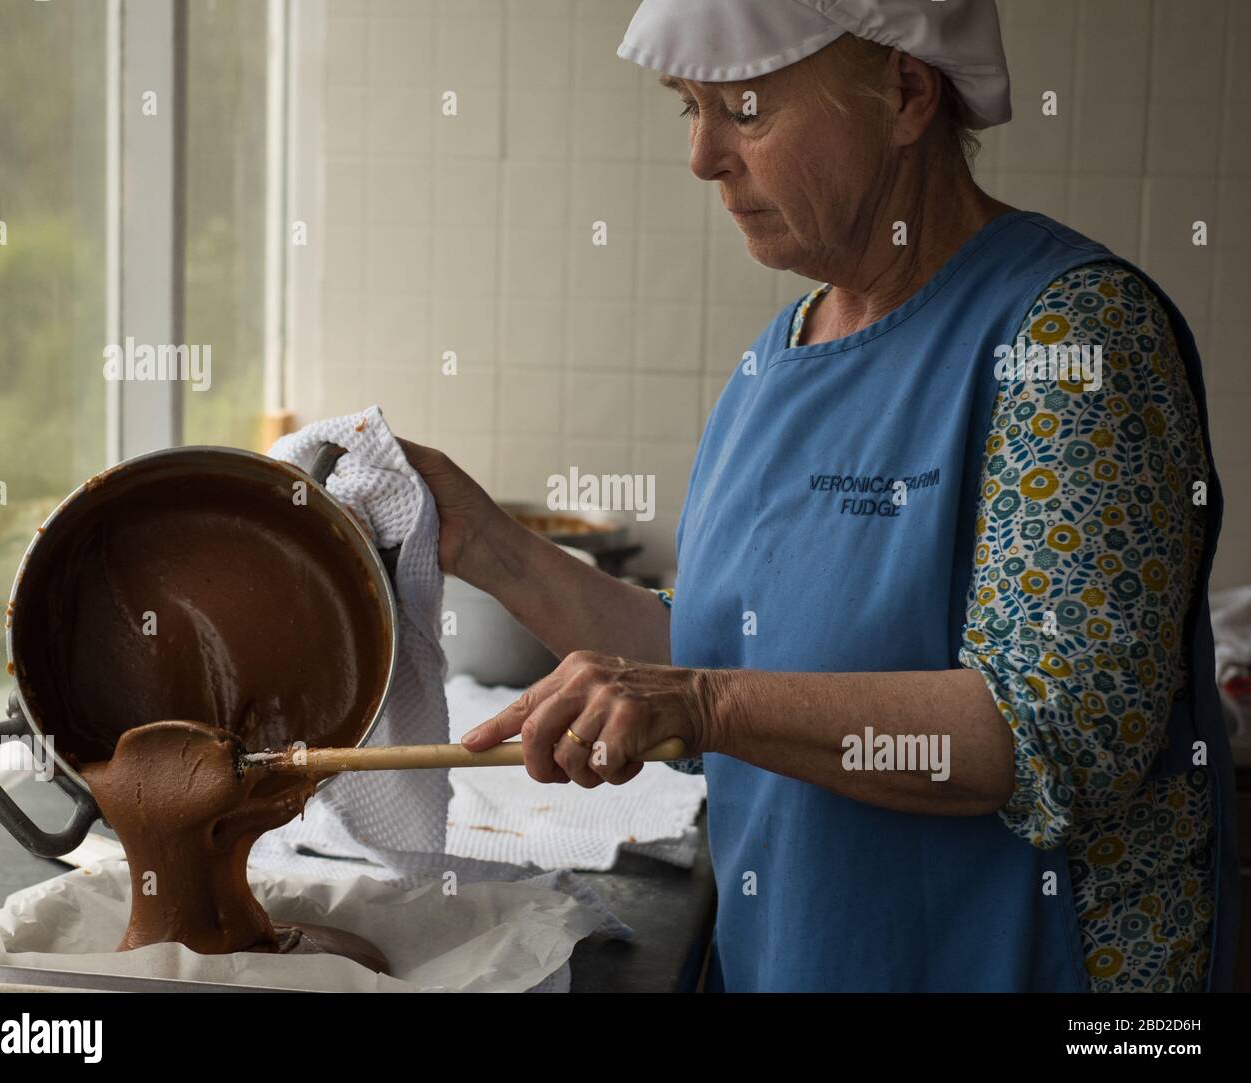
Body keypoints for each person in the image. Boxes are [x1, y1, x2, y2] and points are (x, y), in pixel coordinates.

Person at [400, 0, 1237, 992]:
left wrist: (704, 703)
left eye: (744, 109)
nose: (704, 157)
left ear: (905, 93)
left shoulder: (1070, 338)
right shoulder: (784, 351)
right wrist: (489, 545)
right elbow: (726, 660)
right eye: (689, 109)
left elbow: (1060, 733)